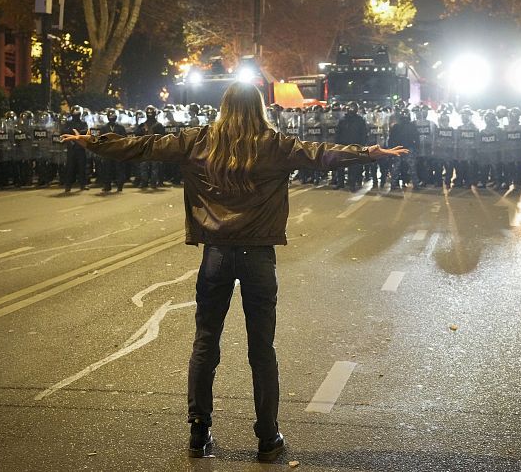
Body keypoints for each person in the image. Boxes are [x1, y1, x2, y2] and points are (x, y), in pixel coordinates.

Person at [60, 82, 408, 462]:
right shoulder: (274, 144)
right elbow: (321, 154)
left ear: (224, 107)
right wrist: (368, 153)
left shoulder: (198, 141)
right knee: (262, 348)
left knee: (206, 340)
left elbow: (144, 146)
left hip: (217, 255)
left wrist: (94, 142)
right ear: (259, 108)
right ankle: (267, 436)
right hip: (258, 255)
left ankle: (199, 432)